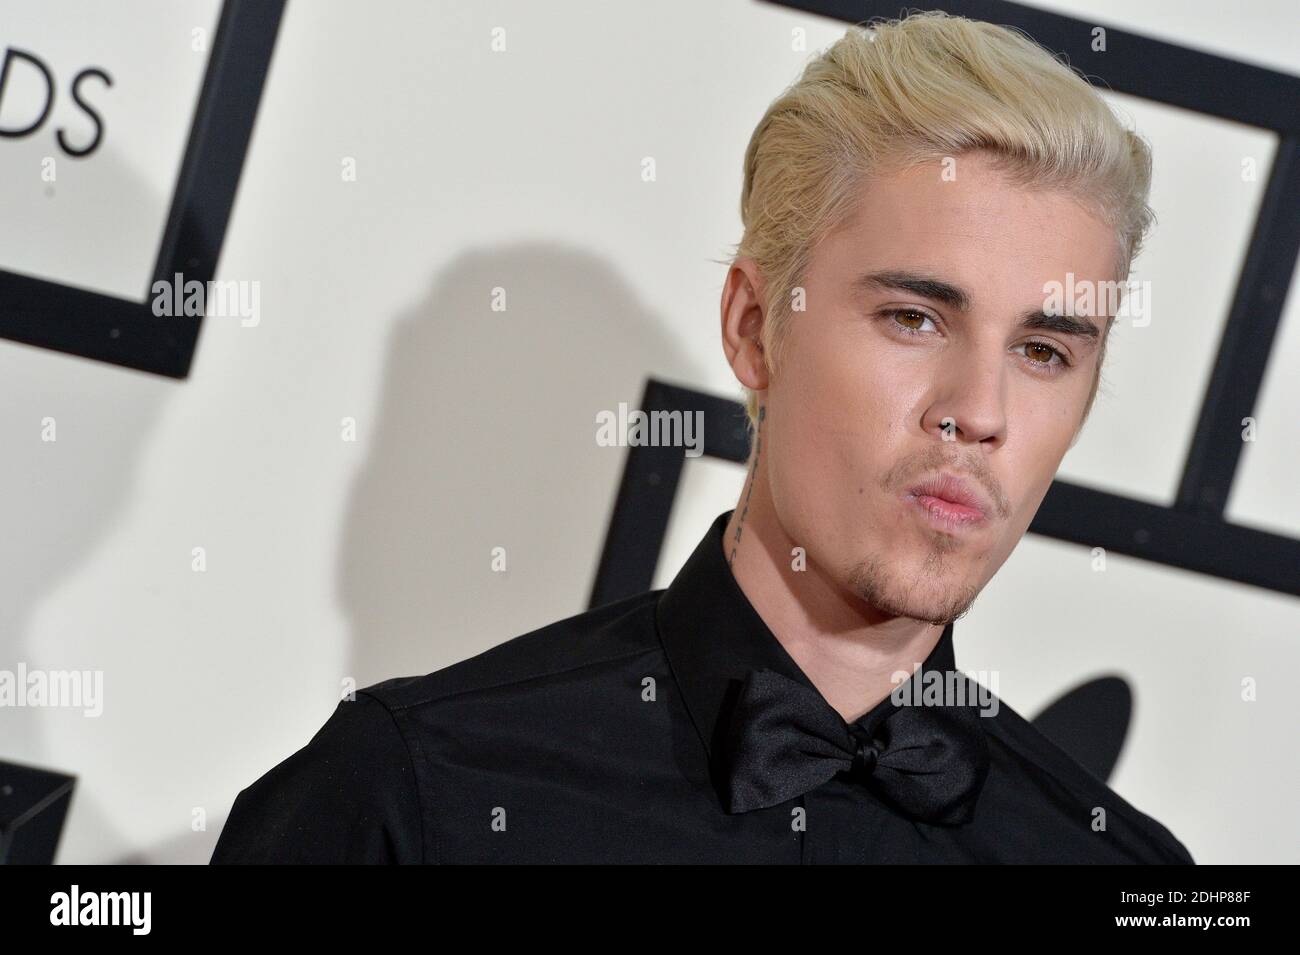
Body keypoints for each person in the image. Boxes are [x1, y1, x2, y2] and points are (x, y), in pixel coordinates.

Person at [212, 11, 1193, 864]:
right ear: (752, 328)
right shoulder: (416, 792)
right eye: (913, 317)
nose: (978, 409)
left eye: (1044, 350)